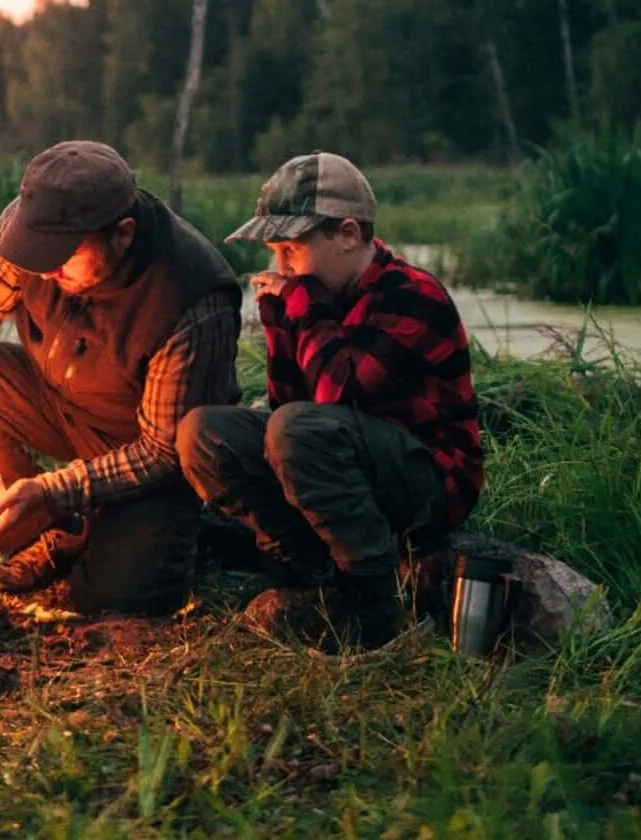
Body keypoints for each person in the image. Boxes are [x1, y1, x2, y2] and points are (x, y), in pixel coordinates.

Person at [0, 141, 242, 613]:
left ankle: (200, 531)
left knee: (117, 595)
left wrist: (54, 489)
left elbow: (161, 452)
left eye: (64, 255)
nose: (47, 268)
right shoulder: (34, 232)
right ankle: (57, 530)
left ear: (123, 233)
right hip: (57, 400)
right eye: (40, 251)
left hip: (146, 450)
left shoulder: (189, 298)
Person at [176, 151, 482, 650]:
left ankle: (372, 597)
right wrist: (280, 322)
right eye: (276, 252)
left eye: (293, 249)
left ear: (347, 234)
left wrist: (301, 304)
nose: (281, 267)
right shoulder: (316, 294)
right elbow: (287, 407)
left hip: (430, 480)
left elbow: (336, 397)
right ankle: (300, 567)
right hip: (349, 459)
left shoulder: (411, 294)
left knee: (301, 429)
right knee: (204, 433)